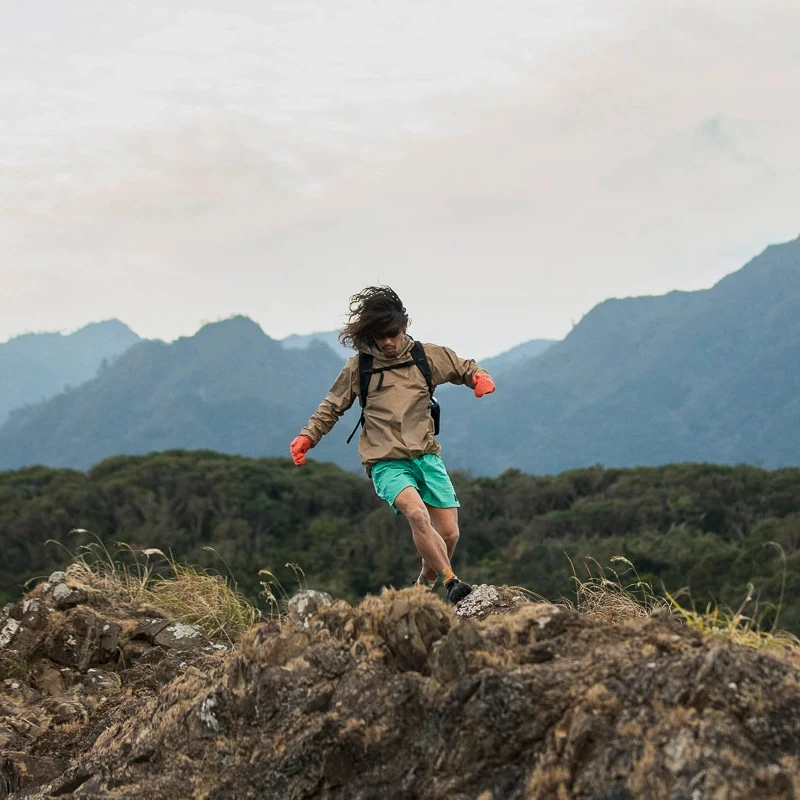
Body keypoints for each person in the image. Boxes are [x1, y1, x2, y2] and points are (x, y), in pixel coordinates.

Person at [289, 286, 496, 604]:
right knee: (416, 514)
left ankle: (421, 586)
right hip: (384, 460)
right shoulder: (360, 367)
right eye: (379, 336)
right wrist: (308, 437)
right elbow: (332, 405)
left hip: (425, 455)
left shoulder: (426, 357)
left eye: (393, 334)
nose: (387, 342)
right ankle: (451, 582)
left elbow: (463, 367)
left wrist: (479, 378)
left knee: (450, 534)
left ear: (405, 326)